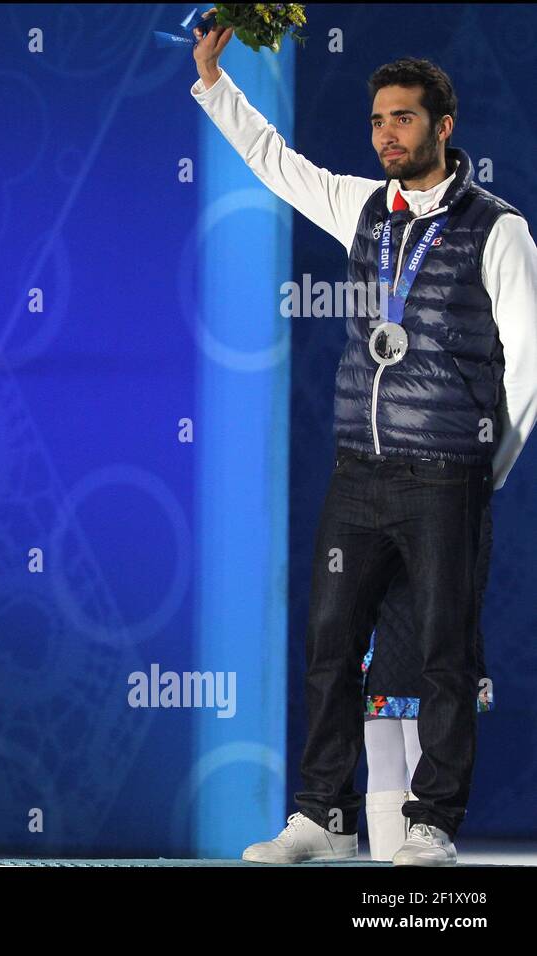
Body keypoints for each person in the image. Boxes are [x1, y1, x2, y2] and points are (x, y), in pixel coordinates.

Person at [189, 16, 537, 865]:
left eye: (404, 118)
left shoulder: (498, 229)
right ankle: (324, 817)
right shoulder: (361, 208)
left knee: (446, 656)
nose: (386, 133)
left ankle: (431, 824)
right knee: (329, 645)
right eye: (378, 119)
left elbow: (528, 365)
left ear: (444, 127)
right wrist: (211, 81)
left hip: (445, 476)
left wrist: (482, 471)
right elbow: (276, 162)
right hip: (359, 472)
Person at [361, 497, 493, 860]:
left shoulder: (463, 500)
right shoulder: (369, 494)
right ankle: (388, 859)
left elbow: (468, 594)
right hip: (382, 638)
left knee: (422, 747)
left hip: (430, 643)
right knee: (383, 752)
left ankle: (423, 846)